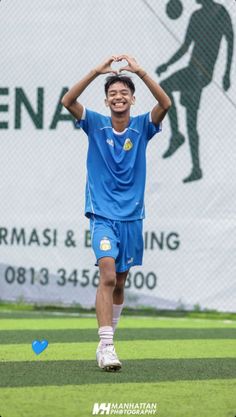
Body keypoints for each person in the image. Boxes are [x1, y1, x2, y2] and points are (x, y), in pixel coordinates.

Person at [61, 54, 171, 371]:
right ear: (107, 100)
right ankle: (108, 346)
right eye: (113, 93)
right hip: (102, 215)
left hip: (132, 217)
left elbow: (165, 103)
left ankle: (105, 342)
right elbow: (68, 100)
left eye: (124, 92)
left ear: (132, 99)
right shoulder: (95, 124)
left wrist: (140, 71)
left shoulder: (141, 127)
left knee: (120, 282)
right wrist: (97, 70)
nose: (118, 96)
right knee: (107, 273)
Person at [156, 0, 234, 183]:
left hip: (200, 74)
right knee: (190, 120)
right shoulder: (196, 16)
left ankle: (176, 136)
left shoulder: (220, 12)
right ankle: (196, 167)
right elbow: (185, 47)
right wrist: (167, 65)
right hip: (193, 71)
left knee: (167, 90)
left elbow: (231, 41)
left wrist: (227, 73)